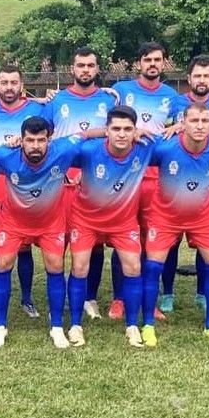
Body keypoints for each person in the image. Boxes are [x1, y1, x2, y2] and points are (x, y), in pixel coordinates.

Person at [0, 116, 88, 348]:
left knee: (56, 267)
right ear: (21, 140)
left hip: (50, 224)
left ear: (49, 140)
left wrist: (135, 132)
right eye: (30, 140)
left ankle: (57, 327)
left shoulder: (63, 149)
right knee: (2, 265)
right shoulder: (5, 154)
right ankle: (0, 326)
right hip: (13, 223)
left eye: (41, 140)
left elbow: (88, 133)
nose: (35, 146)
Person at [145, 103, 209, 348]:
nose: (199, 126)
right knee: (152, 268)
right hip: (164, 218)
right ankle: (147, 325)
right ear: (182, 122)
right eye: (193, 121)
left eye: (205, 121)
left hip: (204, 219)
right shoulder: (164, 146)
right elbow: (129, 150)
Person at [66, 106, 154, 348]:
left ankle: (132, 326)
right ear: (107, 130)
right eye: (116, 128)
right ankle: (75, 325)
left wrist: (178, 127)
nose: (122, 134)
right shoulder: (88, 150)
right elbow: (59, 148)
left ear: (136, 130)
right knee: (79, 267)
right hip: (85, 219)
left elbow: (182, 138)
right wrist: (88, 134)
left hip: (123, 222)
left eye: (128, 129)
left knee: (134, 267)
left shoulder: (146, 148)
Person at [42, 46, 117, 321]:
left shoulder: (109, 100)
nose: (85, 70)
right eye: (80, 65)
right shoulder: (56, 100)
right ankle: (58, 299)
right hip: (60, 183)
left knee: (94, 242)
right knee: (58, 241)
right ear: (72, 69)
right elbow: (44, 137)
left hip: (96, 181)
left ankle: (89, 297)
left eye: (90, 65)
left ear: (97, 69)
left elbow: (116, 135)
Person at [111, 42, 179, 319]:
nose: (153, 64)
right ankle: (119, 299)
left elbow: (193, 117)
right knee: (123, 236)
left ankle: (149, 301)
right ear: (138, 63)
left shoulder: (171, 95)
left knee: (151, 241)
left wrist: (180, 124)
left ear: (164, 63)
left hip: (155, 179)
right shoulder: (121, 91)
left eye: (158, 60)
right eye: (147, 59)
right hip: (124, 177)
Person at [0, 64, 45, 320]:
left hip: (22, 190)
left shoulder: (37, 109)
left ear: (22, 85)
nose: (9, 87)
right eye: (3, 83)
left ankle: (27, 299)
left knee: (24, 248)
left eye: (14, 82)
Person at [166, 54, 209, 313]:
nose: (202, 80)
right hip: (175, 176)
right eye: (197, 75)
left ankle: (203, 292)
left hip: (207, 181)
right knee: (170, 241)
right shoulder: (175, 102)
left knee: (205, 240)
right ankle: (166, 293)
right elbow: (167, 129)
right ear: (189, 78)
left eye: (207, 75)